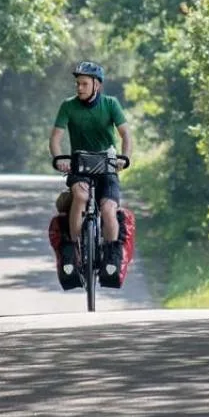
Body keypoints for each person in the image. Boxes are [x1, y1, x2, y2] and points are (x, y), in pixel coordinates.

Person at [47, 60, 132, 270]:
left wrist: (124, 157)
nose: (79, 88)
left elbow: (126, 135)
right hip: (80, 165)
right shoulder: (68, 106)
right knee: (81, 196)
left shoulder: (111, 104)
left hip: (107, 165)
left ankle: (111, 257)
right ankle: (75, 250)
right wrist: (60, 159)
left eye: (84, 84)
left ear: (97, 85)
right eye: (77, 83)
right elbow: (55, 139)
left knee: (108, 208)